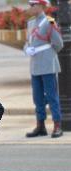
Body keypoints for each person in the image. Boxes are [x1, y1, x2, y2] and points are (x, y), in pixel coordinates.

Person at [24, 0, 64, 138]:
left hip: (47, 64)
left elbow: (58, 43)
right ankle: (40, 125)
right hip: (35, 65)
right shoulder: (30, 23)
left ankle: (57, 125)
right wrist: (27, 49)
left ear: (40, 6)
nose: (30, 7)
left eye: (32, 5)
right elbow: (27, 42)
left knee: (52, 96)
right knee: (38, 98)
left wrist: (48, 54)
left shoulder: (50, 21)